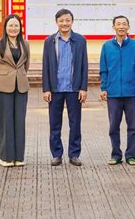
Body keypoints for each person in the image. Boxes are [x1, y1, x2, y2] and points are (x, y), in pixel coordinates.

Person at [42, 9, 88, 166]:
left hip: (74, 89)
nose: (64, 23)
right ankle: (56, 154)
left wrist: (83, 88)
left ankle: (74, 154)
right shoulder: (50, 41)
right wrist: (46, 89)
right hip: (55, 89)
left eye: (67, 20)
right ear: (56, 22)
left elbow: (84, 65)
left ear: (72, 21)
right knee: (54, 123)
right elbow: (46, 66)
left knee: (75, 124)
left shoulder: (80, 40)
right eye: (61, 20)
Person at [99, 15, 135, 165]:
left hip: (132, 93)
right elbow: (104, 70)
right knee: (113, 126)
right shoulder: (107, 46)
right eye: (118, 24)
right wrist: (104, 87)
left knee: (132, 126)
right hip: (113, 93)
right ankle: (116, 155)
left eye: (124, 24)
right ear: (113, 27)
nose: (121, 27)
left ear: (128, 27)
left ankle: (131, 155)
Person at [0, 14, 30, 167]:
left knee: (19, 121)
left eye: (16, 25)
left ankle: (19, 157)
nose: (13, 28)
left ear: (20, 28)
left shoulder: (25, 44)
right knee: (5, 121)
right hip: (3, 87)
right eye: (10, 25)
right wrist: (3, 76)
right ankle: (6, 157)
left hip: (21, 87)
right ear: (5, 27)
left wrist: (18, 76)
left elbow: (26, 65)